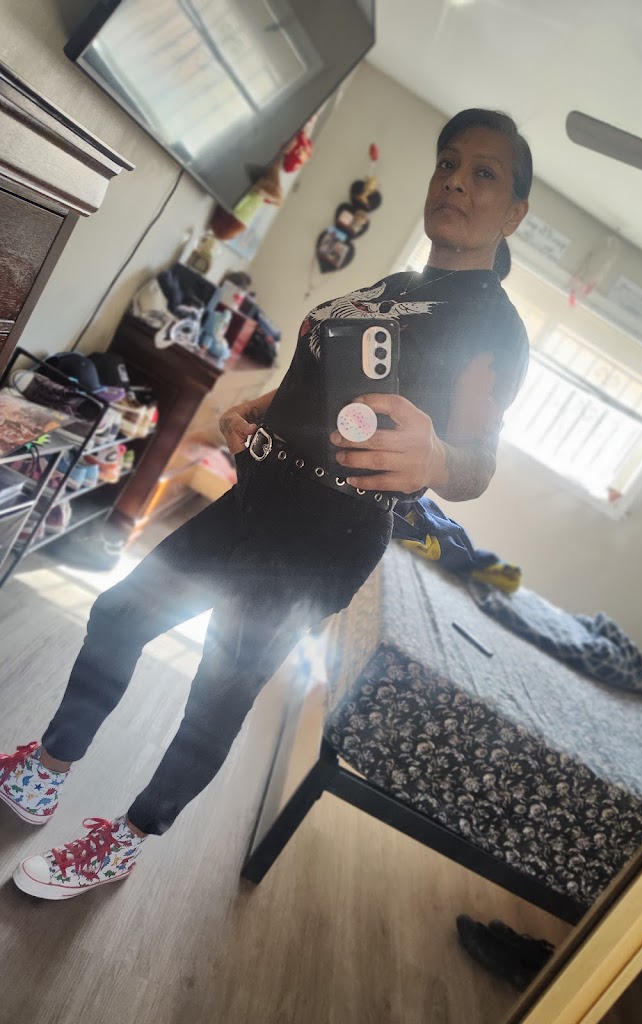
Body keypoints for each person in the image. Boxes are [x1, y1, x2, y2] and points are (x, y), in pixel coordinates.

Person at [0, 108, 531, 900]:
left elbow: (477, 462)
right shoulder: (397, 288)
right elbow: (322, 378)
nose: (455, 180)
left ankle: (132, 835)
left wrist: (435, 457)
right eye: (448, 162)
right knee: (121, 614)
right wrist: (257, 409)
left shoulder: (495, 327)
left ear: (514, 212)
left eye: (483, 173)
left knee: (217, 692)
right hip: (257, 501)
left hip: (324, 540)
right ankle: (48, 769)